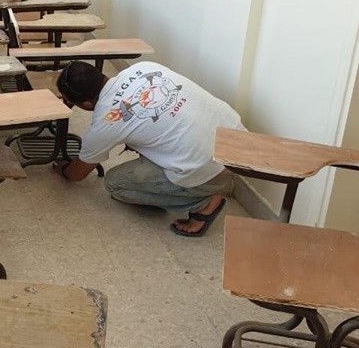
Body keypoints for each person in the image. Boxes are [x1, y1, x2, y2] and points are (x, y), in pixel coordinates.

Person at [53, 60, 245, 237]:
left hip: (209, 169)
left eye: (72, 102)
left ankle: (204, 204)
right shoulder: (143, 67)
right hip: (240, 141)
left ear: (87, 104)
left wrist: (62, 169)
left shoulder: (106, 121)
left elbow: (77, 174)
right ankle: (204, 184)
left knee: (115, 183)